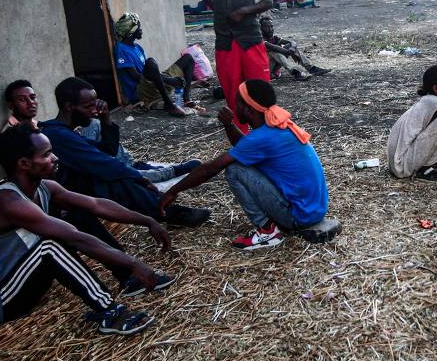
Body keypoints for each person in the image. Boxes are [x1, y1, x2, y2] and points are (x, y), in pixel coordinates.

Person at [0, 124, 173, 333]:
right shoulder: (8, 201)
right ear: (24, 163)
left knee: (79, 214)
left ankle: (128, 278)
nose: (55, 158)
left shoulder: (45, 188)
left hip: (23, 283)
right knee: (49, 246)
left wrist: (148, 220)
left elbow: (96, 204)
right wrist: (133, 262)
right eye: (46, 154)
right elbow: (74, 238)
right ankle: (110, 312)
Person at [160, 80, 333, 250]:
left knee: (234, 170)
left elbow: (210, 168)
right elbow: (245, 147)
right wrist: (228, 125)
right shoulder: (278, 125)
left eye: (237, 102)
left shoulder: (262, 137)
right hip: (314, 209)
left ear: (249, 110)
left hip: (300, 216)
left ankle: (267, 231)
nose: (234, 106)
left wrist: (172, 191)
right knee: (242, 164)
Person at [40, 77, 211, 226]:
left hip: (75, 189)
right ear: (69, 107)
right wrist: (138, 177)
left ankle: (165, 208)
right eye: (88, 106)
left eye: (95, 105)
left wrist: (106, 119)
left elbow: (108, 150)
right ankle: (166, 212)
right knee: (114, 181)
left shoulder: (64, 131)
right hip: (64, 197)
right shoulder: (57, 134)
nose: (94, 111)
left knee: (119, 175)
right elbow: (102, 162)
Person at [196, 0, 273, 133]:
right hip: (225, 42)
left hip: (251, 39)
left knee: (259, 91)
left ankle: (265, 134)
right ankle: (242, 137)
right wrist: (216, 7)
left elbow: (268, 1)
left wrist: (244, 11)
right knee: (233, 93)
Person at [113, 12, 193, 118]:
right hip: (141, 92)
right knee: (150, 63)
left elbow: (151, 73)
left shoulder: (137, 47)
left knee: (188, 58)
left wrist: (166, 78)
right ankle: (169, 105)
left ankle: (186, 98)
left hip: (151, 84)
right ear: (130, 31)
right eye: (138, 27)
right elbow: (136, 77)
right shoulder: (121, 49)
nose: (141, 30)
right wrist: (169, 80)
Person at [260, 16, 331, 81]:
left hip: (273, 69)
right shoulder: (260, 40)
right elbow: (274, 47)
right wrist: (290, 51)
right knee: (274, 51)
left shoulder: (273, 38)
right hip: (265, 71)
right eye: (267, 27)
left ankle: (311, 68)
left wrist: (292, 48)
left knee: (290, 46)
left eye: (271, 26)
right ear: (261, 29)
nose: (270, 29)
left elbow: (292, 42)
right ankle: (295, 72)